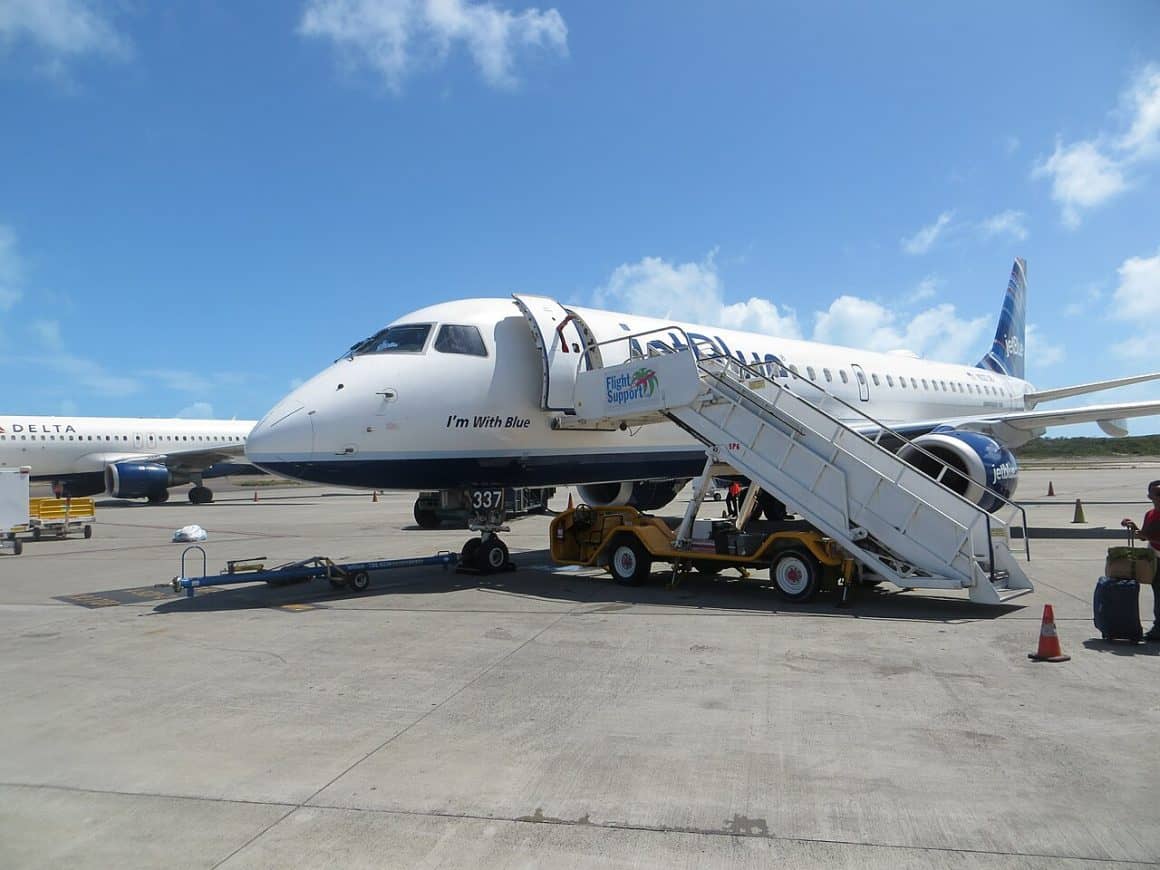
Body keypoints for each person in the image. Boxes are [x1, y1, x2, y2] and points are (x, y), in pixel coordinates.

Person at [1121, 480, 1160, 642]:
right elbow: (1145, 536)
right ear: (1150, 497)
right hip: (1155, 559)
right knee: (1158, 594)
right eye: (1157, 494)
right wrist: (1134, 527)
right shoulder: (1150, 514)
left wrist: (1144, 534)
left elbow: (1149, 535)